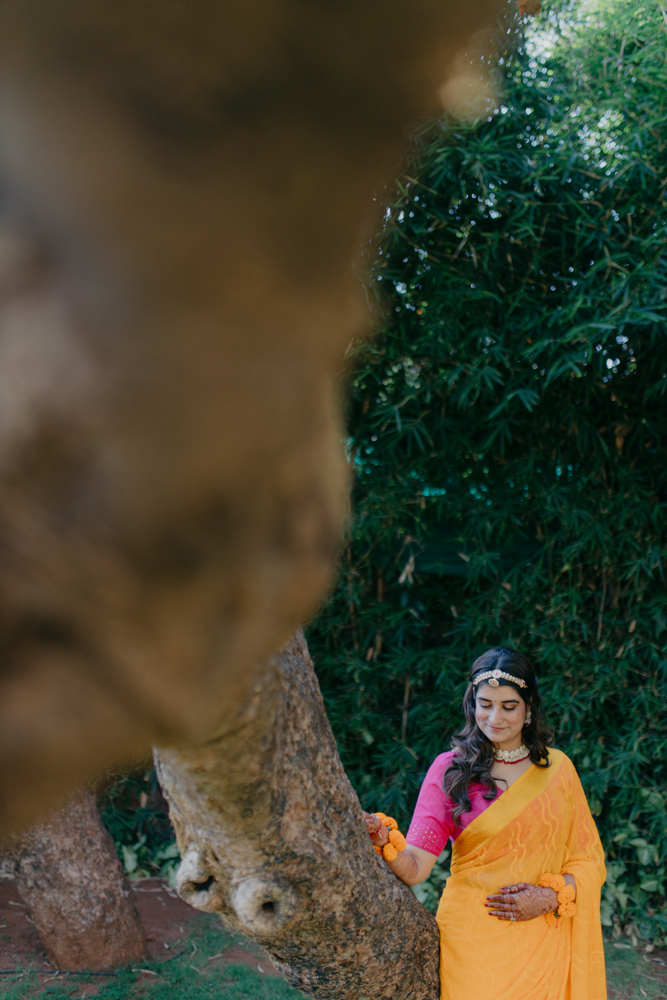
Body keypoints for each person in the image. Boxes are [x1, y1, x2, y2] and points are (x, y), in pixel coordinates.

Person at [365, 647, 607, 1000]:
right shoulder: (450, 770)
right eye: (485, 704)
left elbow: (589, 860)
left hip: (543, 938)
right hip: (474, 944)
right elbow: (416, 867)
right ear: (472, 704)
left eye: (509, 706)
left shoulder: (558, 770)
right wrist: (383, 839)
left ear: (528, 708)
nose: (495, 718)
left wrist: (550, 896)